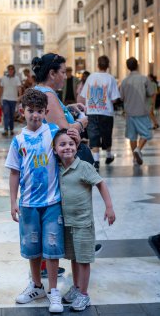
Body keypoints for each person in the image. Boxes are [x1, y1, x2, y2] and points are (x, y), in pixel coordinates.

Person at [5, 89, 80, 313]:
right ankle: (37, 286)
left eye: (39, 111)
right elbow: (14, 173)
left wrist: (76, 132)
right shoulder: (18, 141)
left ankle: (54, 291)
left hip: (52, 202)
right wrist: (12, 201)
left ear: (46, 112)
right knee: (33, 248)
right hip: (28, 204)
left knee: (53, 247)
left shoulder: (53, 131)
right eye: (31, 111)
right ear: (22, 112)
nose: (35, 115)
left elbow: (68, 142)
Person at [32, 53, 102, 257]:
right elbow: (66, 132)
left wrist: (69, 108)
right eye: (62, 72)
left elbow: (53, 118)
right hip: (60, 159)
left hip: (46, 159)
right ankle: (77, 248)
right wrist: (82, 122)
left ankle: (73, 247)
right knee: (73, 209)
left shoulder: (40, 90)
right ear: (52, 73)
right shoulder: (48, 94)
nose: (65, 76)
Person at [53, 129, 115, 311]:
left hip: (83, 223)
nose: (67, 147)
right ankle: (77, 287)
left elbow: (101, 183)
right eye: (62, 144)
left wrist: (109, 207)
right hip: (67, 223)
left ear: (77, 146)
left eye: (71, 144)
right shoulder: (57, 169)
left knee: (83, 259)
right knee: (73, 257)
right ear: (55, 149)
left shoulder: (84, 167)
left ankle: (84, 295)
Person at [80, 55, 120, 171]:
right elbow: (114, 99)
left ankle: (96, 160)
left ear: (97, 65)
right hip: (106, 112)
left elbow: (83, 95)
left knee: (93, 135)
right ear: (108, 66)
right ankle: (108, 156)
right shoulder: (111, 78)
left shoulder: (91, 77)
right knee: (107, 134)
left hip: (92, 111)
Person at [120, 57, 155, 165]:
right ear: (137, 65)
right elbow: (151, 92)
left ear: (127, 67)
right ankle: (138, 149)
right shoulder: (144, 79)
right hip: (142, 111)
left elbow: (121, 97)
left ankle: (135, 158)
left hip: (129, 112)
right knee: (146, 133)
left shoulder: (124, 81)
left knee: (132, 136)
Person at [0, 64, 22, 136]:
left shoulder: (17, 78)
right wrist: (0, 97)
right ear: (8, 70)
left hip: (13, 99)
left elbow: (19, 87)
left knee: (12, 115)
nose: (10, 71)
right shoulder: (3, 78)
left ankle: (11, 129)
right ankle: (6, 129)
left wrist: (20, 96)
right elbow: (1, 88)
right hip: (5, 98)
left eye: (12, 69)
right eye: (9, 69)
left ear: (14, 70)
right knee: (6, 114)